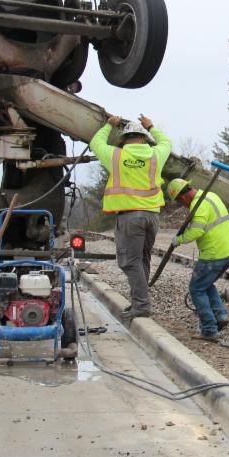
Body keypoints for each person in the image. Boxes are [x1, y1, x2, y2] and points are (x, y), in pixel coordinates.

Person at [88, 114, 172, 323]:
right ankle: (139, 302)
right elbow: (166, 142)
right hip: (152, 215)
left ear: (124, 139)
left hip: (130, 217)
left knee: (129, 261)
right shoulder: (155, 155)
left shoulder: (116, 156)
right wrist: (151, 125)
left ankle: (142, 305)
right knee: (142, 259)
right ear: (143, 138)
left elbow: (95, 143)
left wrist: (108, 125)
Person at [166, 177, 229, 343]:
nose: (181, 205)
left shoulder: (198, 206)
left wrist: (179, 239)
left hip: (213, 255)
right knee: (206, 284)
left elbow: (197, 231)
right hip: (228, 252)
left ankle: (209, 330)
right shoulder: (211, 195)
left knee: (196, 289)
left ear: (182, 197)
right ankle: (220, 315)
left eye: (179, 202)